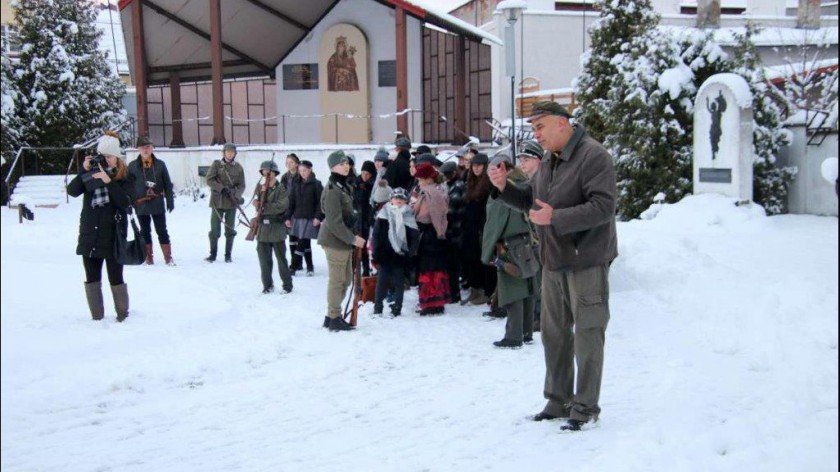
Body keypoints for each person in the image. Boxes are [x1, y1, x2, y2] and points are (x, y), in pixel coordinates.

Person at [488, 101, 618, 432]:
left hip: (586, 260)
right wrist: (504, 188)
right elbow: (533, 201)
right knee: (553, 334)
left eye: (540, 127)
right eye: (533, 128)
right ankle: (558, 399)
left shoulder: (594, 156)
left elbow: (604, 207)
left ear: (562, 123)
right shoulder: (550, 161)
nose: (536, 134)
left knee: (588, 332)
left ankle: (585, 405)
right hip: (553, 260)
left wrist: (556, 218)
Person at [66, 131, 135, 322]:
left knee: (116, 277)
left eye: (109, 157)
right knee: (92, 277)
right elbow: (72, 191)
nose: (105, 161)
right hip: (90, 235)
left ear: (117, 158)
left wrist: (109, 182)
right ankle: (97, 318)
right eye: (101, 156)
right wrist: (84, 170)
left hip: (114, 236)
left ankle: (123, 316)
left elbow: (126, 202)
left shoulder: (125, 176)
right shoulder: (90, 175)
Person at [482, 151, 537, 348]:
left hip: (510, 246)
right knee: (528, 288)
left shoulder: (508, 188)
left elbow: (495, 222)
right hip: (528, 243)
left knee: (512, 290)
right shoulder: (526, 182)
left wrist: (487, 250)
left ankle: (514, 336)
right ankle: (526, 332)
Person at [317, 150, 366, 332]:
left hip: (343, 239)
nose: (346, 166)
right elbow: (334, 222)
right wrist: (353, 239)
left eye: (347, 163)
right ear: (333, 167)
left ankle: (331, 316)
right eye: (341, 163)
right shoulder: (332, 190)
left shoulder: (342, 185)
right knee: (337, 281)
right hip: (335, 240)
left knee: (345, 280)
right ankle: (334, 317)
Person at [127, 136, 175, 266]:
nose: (146, 150)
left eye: (148, 147)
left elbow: (167, 184)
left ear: (152, 148)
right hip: (141, 204)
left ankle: (168, 257)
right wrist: (129, 203)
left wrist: (170, 201)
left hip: (157, 203)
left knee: (162, 230)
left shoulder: (160, 165)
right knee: (145, 231)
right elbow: (128, 187)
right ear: (138, 149)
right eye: (143, 148)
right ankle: (148, 257)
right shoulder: (132, 166)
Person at [371, 187, 419, 318]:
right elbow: (375, 234)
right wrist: (375, 250)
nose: (398, 201)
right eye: (396, 198)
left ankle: (397, 308)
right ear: (391, 199)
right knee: (381, 282)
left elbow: (414, 236)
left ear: (406, 201)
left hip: (400, 255)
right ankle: (377, 308)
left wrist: (410, 253)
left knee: (399, 283)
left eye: (402, 199)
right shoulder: (383, 214)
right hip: (384, 254)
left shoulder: (409, 216)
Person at [411, 158, 450, 315]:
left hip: (429, 235)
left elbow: (429, 214)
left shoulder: (431, 193)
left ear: (428, 178)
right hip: (433, 235)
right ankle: (436, 302)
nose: (419, 182)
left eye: (420, 179)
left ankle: (430, 303)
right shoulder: (435, 190)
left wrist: (414, 213)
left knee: (429, 270)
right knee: (434, 269)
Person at [253, 160, 293, 294]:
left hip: (277, 227)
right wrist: (257, 202)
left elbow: (282, 205)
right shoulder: (260, 187)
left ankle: (287, 285)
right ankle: (267, 285)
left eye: (269, 172)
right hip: (263, 229)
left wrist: (264, 206)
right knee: (264, 261)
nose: (267, 174)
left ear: (275, 173)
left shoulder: (281, 188)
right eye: (264, 172)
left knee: (281, 260)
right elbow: (255, 201)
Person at [461, 152, 496, 305]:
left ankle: (486, 292)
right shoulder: (471, 182)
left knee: (485, 261)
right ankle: (475, 289)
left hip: (482, 227)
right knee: (472, 259)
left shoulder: (488, 184)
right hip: (470, 227)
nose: (476, 169)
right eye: (474, 166)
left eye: (479, 166)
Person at [205, 143, 246, 262]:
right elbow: (209, 179)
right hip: (217, 201)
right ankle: (213, 254)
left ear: (235, 153)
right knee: (214, 230)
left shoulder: (238, 167)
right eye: (227, 151)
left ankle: (228, 255)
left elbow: (242, 185)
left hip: (231, 202)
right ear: (223, 153)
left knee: (230, 230)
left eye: (232, 152)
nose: (229, 153)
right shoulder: (217, 165)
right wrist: (221, 188)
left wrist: (236, 196)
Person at [286, 160, 323, 276]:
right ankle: (310, 267)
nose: (302, 173)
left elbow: (321, 203)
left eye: (305, 170)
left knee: (301, 242)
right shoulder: (296, 184)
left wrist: (318, 217)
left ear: (310, 169)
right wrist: (287, 217)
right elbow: (291, 202)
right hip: (297, 217)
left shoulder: (317, 184)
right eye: (300, 170)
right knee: (305, 242)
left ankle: (293, 266)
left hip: (311, 218)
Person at [441, 161, 465, 304]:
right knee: (450, 263)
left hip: (455, 230)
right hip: (452, 230)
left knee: (452, 264)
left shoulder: (458, 186)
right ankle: (451, 291)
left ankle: (454, 293)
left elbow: (451, 209)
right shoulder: (450, 185)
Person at [281, 153, 303, 273]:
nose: (289, 165)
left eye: (291, 163)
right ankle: (294, 261)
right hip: (288, 209)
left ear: (297, 163)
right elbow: (282, 193)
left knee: (301, 237)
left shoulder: (301, 175)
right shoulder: (285, 177)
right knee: (292, 237)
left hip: (300, 209)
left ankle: (298, 262)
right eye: (287, 163)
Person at [354, 160, 376, 277]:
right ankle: (364, 268)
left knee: (370, 247)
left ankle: (373, 270)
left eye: (367, 173)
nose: (364, 176)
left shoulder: (374, 185)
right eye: (363, 173)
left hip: (369, 221)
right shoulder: (356, 184)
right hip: (359, 222)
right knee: (360, 247)